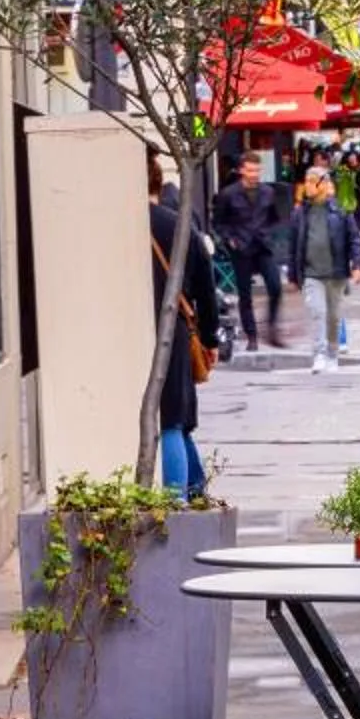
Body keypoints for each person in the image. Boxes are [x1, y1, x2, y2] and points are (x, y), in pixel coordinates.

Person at [148, 173, 219, 500]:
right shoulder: (178, 225)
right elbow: (207, 285)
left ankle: (179, 503)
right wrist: (210, 339)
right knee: (176, 419)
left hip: (140, 329)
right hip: (174, 330)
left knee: (171, 421)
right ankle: (191, 493)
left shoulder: (120, 225)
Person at [288, 167, 360, 372]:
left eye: (312, 182)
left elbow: (354, 239)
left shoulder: (340, 209)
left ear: (322, 184)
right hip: (312, 274)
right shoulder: (300, 212)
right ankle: (319, 354)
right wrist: (293, 274)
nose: (307, 186)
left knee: (334, 316)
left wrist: (357, 265)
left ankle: (332, 354)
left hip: (336, 273)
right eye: (306, 181)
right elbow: (294, 245)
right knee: (317, 312)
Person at [214, 152, 286, 350]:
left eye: (256, 170)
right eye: (250, 170)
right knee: (245, 295)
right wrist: (230, 240)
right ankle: (251, 336)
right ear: (242, 170)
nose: (254, 174)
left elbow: (275, 218)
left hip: (263, 246)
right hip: (241, 247)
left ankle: (271, 329)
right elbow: (219, 223)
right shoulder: (228, 194)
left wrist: (271, 236)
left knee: (275, 287)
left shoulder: (268, 192)